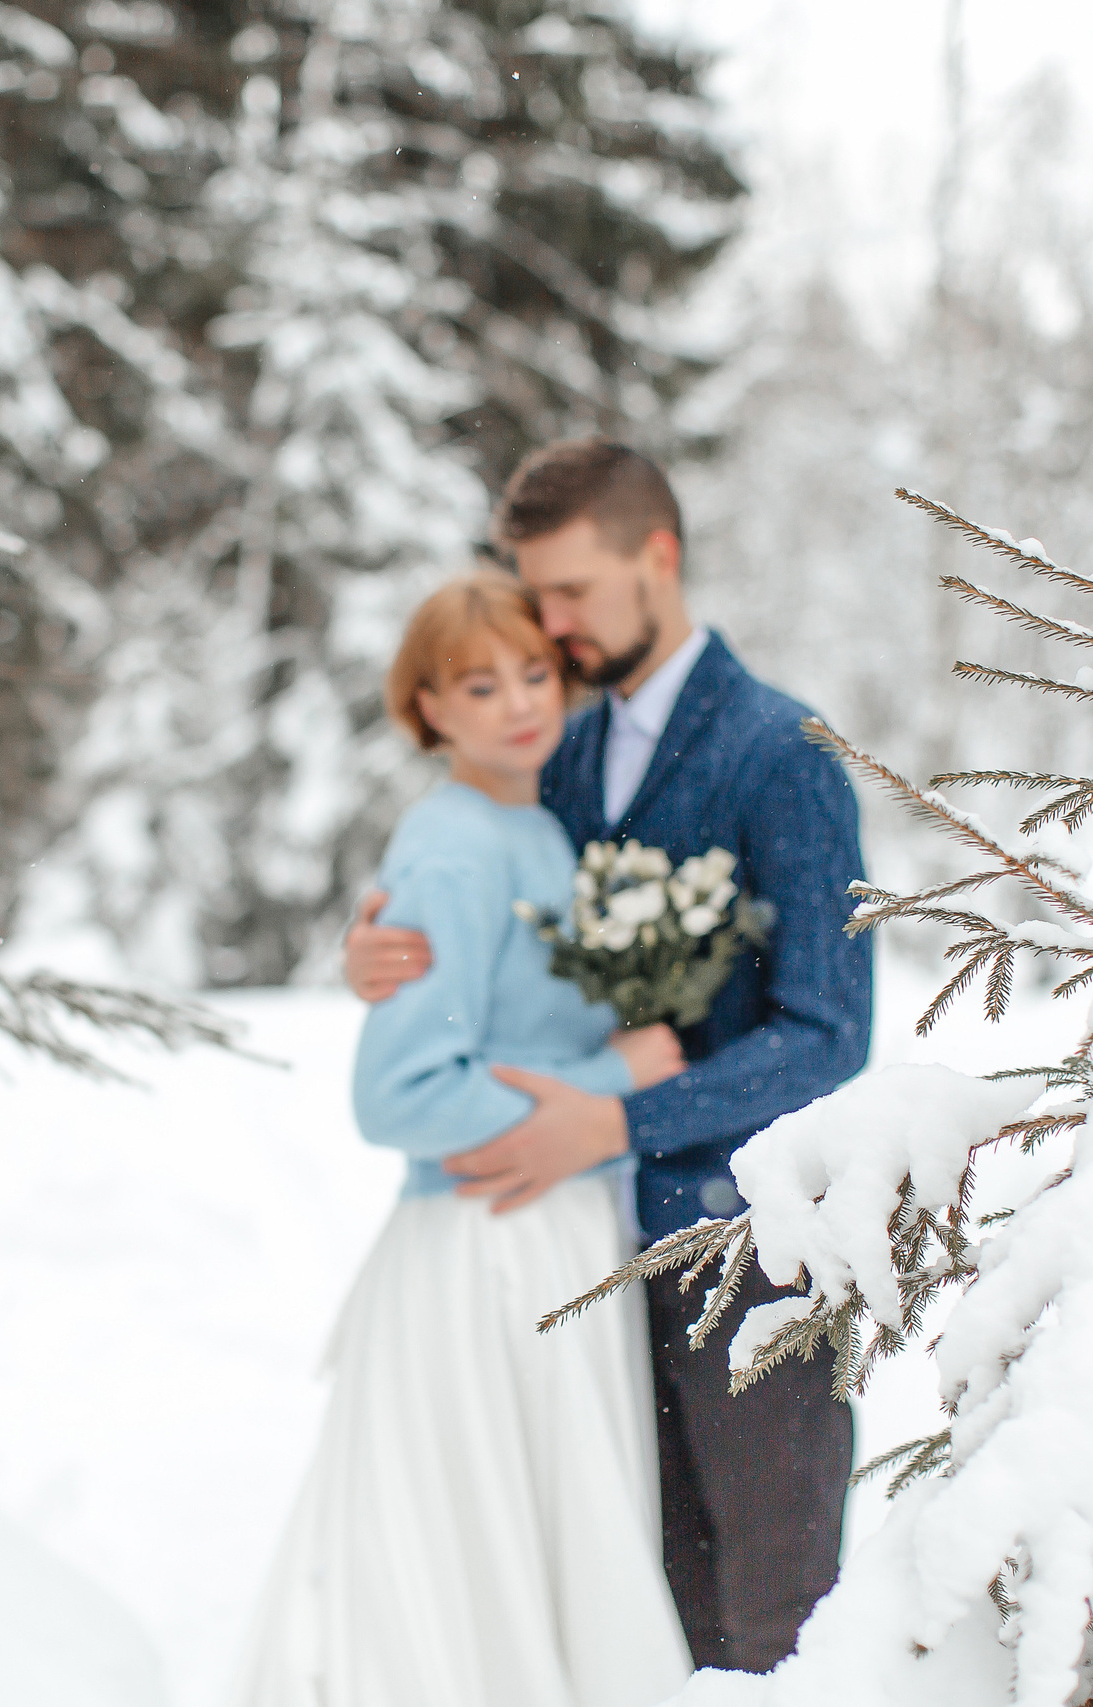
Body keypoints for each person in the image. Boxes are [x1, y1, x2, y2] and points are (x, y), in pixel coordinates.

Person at [343, 439, 874, 1674]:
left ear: (659, 556)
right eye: (538, 594)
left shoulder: (783, 752)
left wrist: (613, 1120)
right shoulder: (561, 755)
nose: (554, 624)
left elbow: (827, 1035)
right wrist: (376, 943)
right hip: (580, 1263)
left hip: (749, 1256)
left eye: (573, 592)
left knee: (776, 1617)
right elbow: (493, 923)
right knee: (633, 1622)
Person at [231, 572, 695, 1707]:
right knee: (480, 1564)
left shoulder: (534, 824)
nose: (517, 704)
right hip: (486, 1244)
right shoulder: (451, 845)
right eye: (477, 686)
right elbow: (402, 1092)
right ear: (427, 708)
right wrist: (613, 1078)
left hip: (551, 1228)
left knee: (543, 1555)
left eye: (532, 673)